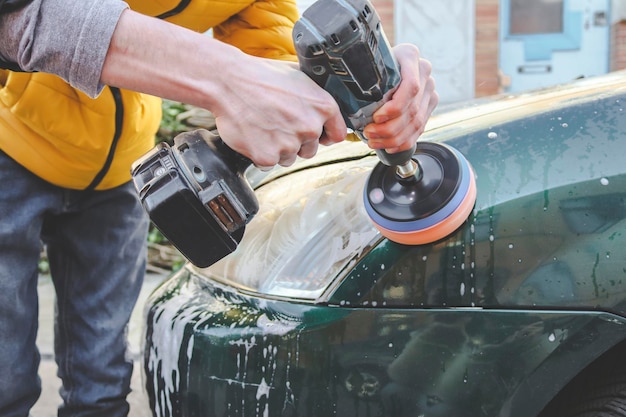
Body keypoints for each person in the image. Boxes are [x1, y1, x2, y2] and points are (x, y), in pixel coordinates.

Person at [0, 0, 438, 416]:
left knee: (102, 375)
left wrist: (367, 98)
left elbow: (277, 71)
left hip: (118, 169)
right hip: (11, 146)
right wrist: (224, 79)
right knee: (6, 377)